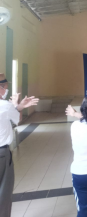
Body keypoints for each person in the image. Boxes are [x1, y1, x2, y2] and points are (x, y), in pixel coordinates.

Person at [0, 74, 39, 217]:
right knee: (3, 192)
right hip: (2, 155)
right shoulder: (4, 105)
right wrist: (18, 105)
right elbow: (17, 119)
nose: (6, 91)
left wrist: (19, 105)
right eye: (5, 88)